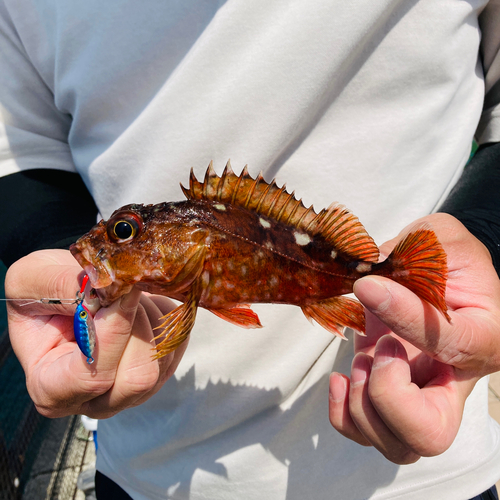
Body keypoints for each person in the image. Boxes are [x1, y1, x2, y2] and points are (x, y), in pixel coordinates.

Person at [1, 1, 500, 499]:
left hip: (429, 465)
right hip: (143, 474)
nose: (101, 243)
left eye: (125, 232)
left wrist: (483, 231)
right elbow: (18, 149)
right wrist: (49, 254)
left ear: (187, 243)